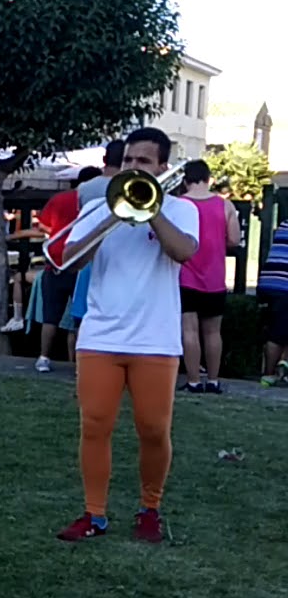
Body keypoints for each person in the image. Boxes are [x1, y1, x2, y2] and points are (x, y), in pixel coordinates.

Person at [56, 126, 199, 544]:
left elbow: (183, 252)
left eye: (144, 161)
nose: (133, 167)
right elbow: (70, 261)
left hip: (155, 339)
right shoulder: (99, 206)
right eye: (128, 161)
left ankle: (149, 508)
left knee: (153, 429)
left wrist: (150, 209)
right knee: (94, 425)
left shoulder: (181, 209)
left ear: (162, 167)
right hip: (100, 336)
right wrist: (111, 217)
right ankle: (94, 513)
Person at [178, 159, 240, 394]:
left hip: (186, 275)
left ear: (185, 180)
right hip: (215, 277)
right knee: (213, 332)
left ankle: (193, 380)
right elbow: (234, 239)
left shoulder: (180, 204)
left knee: (189, 330)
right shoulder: (225, 205)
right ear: (208, 178)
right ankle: (213, 380)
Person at [34, 166, 104, 371]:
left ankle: (43, 358)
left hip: (55, 262)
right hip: (82, 264)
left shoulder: (60, 198)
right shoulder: (98, 202)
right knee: (80, 317)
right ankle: (78, 363)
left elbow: (43, 225)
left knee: (50, 316)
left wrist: (57, 231)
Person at [255, 213, 288, 387]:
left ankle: (280, 366)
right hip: (284, 285)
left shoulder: (284, 224)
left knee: (277, 326)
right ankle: (269, 374)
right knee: (277, 333)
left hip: (269, 282)